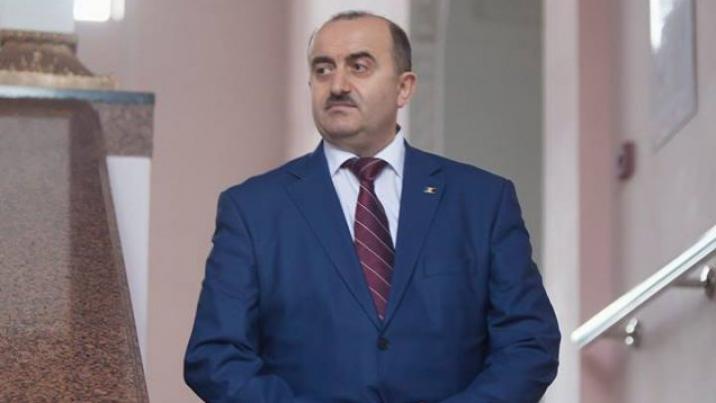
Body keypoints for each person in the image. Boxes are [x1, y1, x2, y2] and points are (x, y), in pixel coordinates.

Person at [184, 11, 560, 403]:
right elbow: (216, 355)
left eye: (359, 67)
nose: (338, 85)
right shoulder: (253, 209)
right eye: (323, 69)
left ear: (404, 88)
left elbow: (529, 342)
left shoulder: (482, 202)